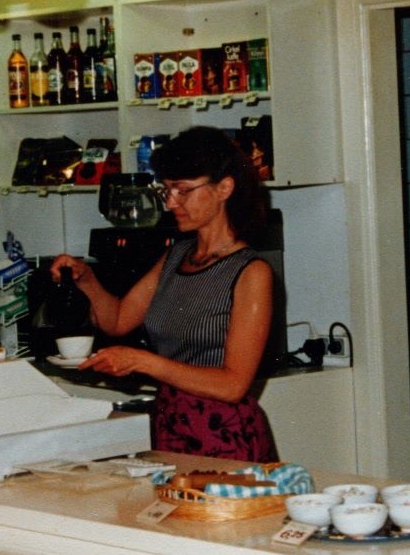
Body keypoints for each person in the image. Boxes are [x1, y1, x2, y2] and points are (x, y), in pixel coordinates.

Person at [49, 127, 278, 461]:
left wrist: (143, 362)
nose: (170, 202)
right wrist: (86, 279)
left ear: (224, 188)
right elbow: (117, 321)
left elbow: (233, 385)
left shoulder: (250, 272)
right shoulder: (175, 256)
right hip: (171, 424)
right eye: (166, 190)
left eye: (182, 190)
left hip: (224, 434)